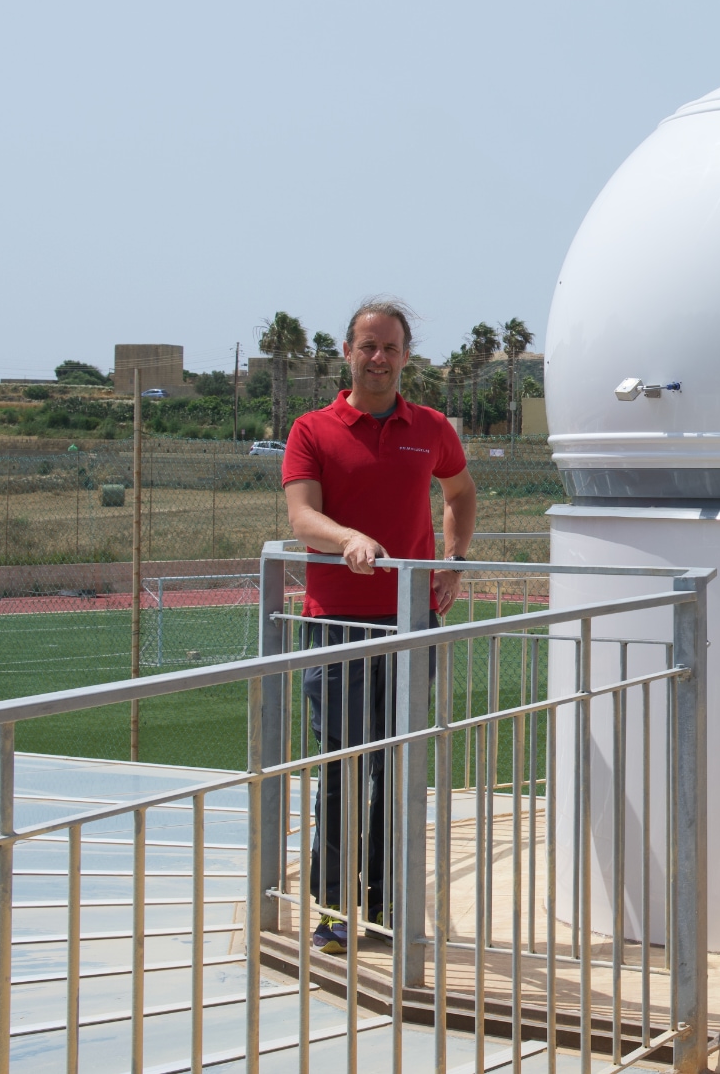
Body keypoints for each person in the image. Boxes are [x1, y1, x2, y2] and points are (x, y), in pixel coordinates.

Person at [282, 298, 475, 955]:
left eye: (390, 347)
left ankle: (388, 907)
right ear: (348, 351)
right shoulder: (312, 428)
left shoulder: (432, 427)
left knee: (398, 768)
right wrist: (348, 538)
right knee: (341, 767)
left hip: (409, 623)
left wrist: (453, 561)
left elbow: (461, 493)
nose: (379, 357)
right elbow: (303, 519)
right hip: (336, 624)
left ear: (405, 355)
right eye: (368, 345)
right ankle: (334, 911)